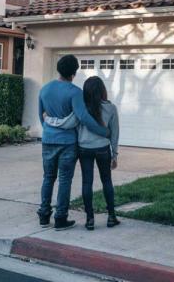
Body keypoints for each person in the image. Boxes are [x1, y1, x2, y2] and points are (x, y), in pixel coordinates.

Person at [37, 55, 109, 231]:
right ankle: (61, 218)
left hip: (48, 140)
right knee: (64, 180)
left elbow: (42, 116)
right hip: (68, 143)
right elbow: (84, 118)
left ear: (58, 69)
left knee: (48, 178)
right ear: (74, 72)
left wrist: (49, 132)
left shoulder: (44, 89)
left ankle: (44, 215)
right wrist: (104, 131)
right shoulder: (75, 92)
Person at [45, 76, 120, 231]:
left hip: (84, 149)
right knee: (107, 181)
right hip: (103, 149)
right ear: (102, 90)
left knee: (87, 182)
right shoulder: (111, 108)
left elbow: (68, 123)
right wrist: (115, 154)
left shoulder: (81, 108)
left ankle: (89, 219)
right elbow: (114, 133)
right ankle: (112, 217)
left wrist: (48, 119)